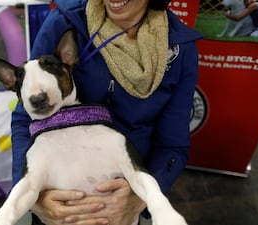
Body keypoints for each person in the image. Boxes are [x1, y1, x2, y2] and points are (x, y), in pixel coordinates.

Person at [10, 0, 202, 224]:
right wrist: (36, 197)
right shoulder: (66, 23)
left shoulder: (180, 49)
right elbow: (26, 117)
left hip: (126, 196)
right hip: (59, 196)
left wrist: (140, 200)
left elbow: (173, 145)